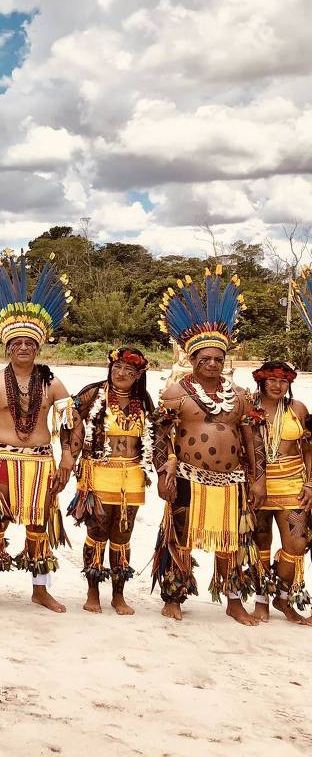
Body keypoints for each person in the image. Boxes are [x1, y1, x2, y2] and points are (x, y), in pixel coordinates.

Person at [151, 266, 266, 625]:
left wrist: (258, 479)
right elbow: (160, 436)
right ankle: (174, 596)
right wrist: (163, 468)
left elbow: (252, 438)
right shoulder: (175, 393)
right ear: (192, 360)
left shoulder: (242, 396)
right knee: (181, 537)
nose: (212, 364)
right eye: (205, 359)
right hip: (188, 476)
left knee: (232, 540)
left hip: (232, 481)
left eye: (218, 358)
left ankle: (233, 600)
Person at [0, 252, 75, 613]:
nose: (24, 348)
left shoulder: (53, 382)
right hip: (0, 460)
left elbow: (68, 426)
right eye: (17, 344)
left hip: (42, 464)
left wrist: (68, 461)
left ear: (38, 347)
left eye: (30, 343)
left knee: (40, 526)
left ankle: (40, 589)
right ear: (8, 347)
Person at [67, 347, 155, 616]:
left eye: (130, 371)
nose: (122, 374)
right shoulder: (93, 393)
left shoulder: (144, 400)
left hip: (132, 475)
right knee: (97, 532)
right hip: (98, 471)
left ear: (139, 375)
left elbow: (156, 434)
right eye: (118, 368)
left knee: (122, 535)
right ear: (110, 368)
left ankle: (118, 594)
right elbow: (68, 420)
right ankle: (92, 591)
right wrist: (69, 456)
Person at [248, 361, 310, 624]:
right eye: (272, 380)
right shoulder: (248, 406)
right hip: (257, 483)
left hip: (293, 484)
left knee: (297, 544)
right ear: (261, 381)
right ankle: (261, 600)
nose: (277, 386)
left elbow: (308, 449)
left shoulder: (297, 409)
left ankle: (283, 597)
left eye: (283, 381)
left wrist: (310, 484)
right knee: (260, 542)